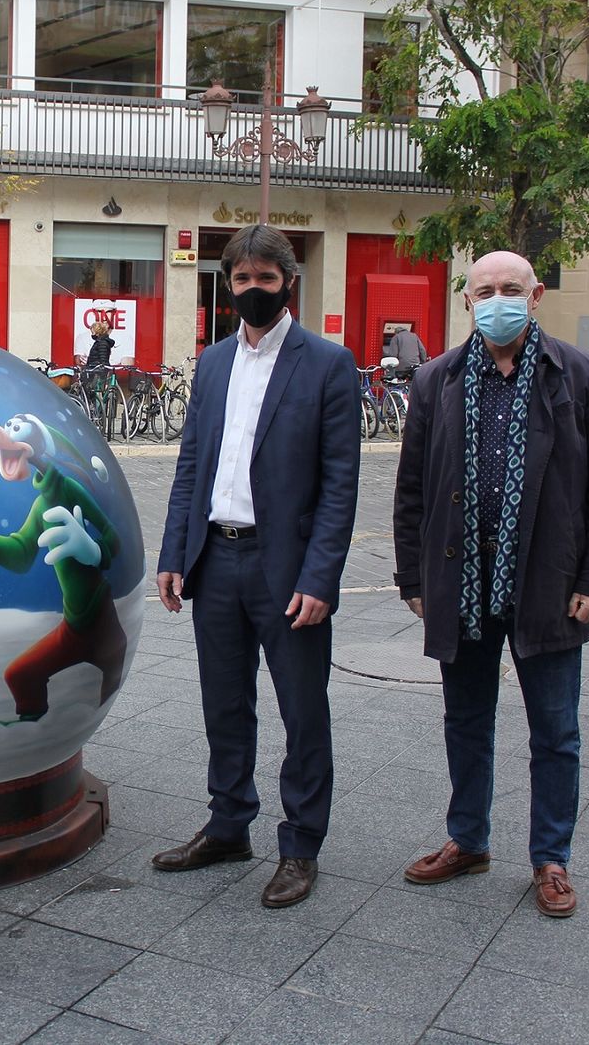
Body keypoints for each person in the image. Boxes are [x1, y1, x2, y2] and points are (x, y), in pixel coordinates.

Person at [392, 250, 589, 919]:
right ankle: (468, 839)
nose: (498, 299)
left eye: (511, 289)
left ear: (537, 293)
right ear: (467, 300)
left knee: (555, 730)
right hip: (461, 581)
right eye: (485, 289)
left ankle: (551, 858)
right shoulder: (438, 379)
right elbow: (412, 492)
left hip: (549, 582)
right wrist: (414, 575)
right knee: (465, 721)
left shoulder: (577, 374)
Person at [154, 224, 361, 908]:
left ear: (287, 282)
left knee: (303, 712)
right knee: (225, 705)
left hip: (288, 570)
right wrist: (173, 554)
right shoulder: (212, 363)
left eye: (263, 280)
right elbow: (190, 466)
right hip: (215, 558)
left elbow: (340, 484)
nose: (251, 291)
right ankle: (228, 823)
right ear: (227, 283)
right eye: (240, 280)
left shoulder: (327, 364)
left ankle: (300, 845)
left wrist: (320, 577)